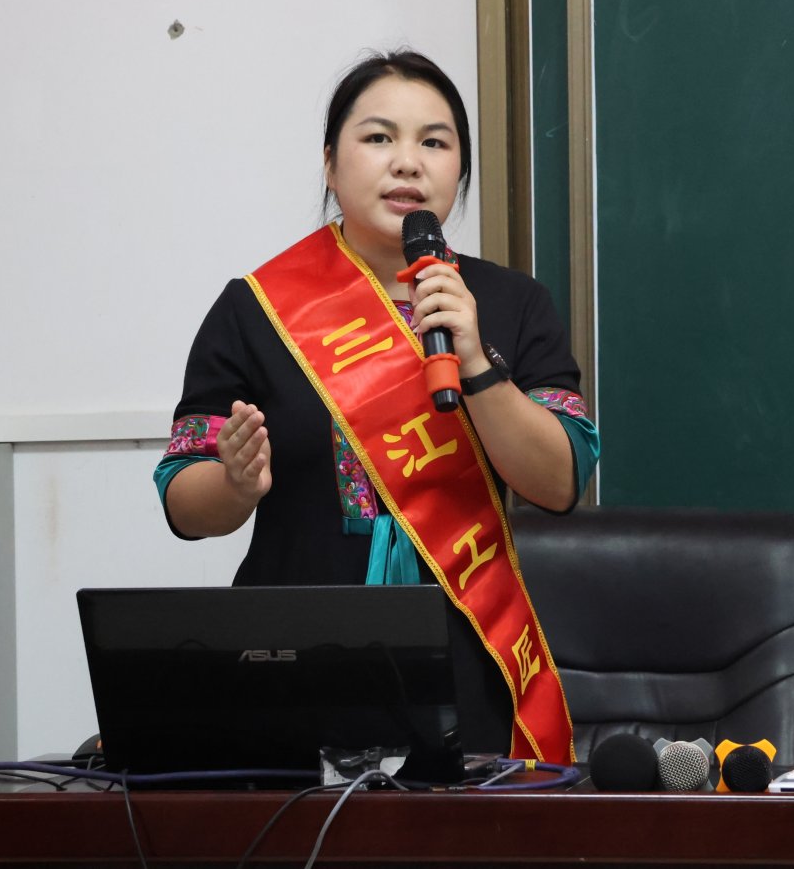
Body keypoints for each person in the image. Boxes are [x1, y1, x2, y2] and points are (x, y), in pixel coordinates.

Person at [154, 49, 599, 761]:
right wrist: (234, 484)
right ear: (331, 164)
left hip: (467, 650)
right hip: (291, 654)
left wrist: (477, 362)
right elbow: (183, 502)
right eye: (379, 137)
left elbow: (559, 481)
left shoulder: (512, 303)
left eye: (435, 142)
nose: (408, 162)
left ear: (460, 169)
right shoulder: (257, 307)